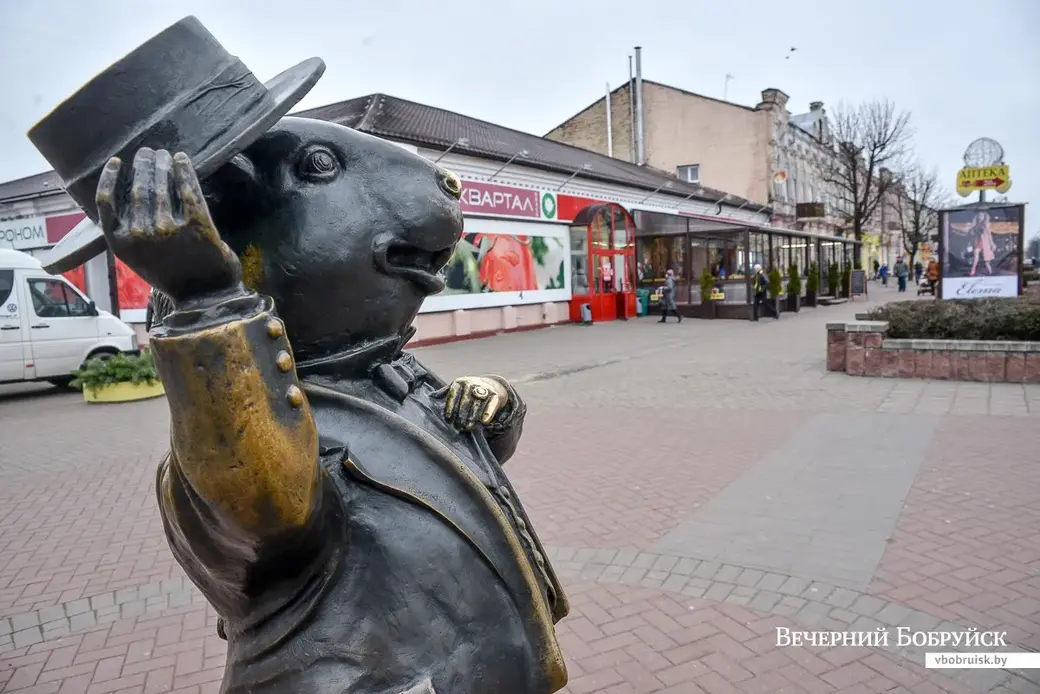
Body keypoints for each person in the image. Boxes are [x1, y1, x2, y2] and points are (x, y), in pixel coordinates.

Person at [969, 211, 996, 276]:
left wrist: (992, 243)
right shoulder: (975, 225)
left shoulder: (985, 224)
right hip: (977, 241)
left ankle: (989, 271)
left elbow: (989, 234)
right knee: (976, 255)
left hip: (984, 242)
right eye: (979, 215)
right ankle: (973, 270)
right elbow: (971, 234)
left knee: (986, 259)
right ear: (977, 216)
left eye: (982, 216)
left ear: (984, 217)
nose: (980, 217)